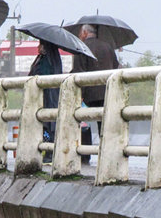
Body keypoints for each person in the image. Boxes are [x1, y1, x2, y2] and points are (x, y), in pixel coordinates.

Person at [70, 24, 119, 164]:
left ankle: (83, 155)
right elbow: (115, 66)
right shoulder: (108, 47)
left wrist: (80, 94)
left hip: (89, 93)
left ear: (85, 32)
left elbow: (79, 71)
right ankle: (108, 157)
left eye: (80, 32)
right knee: (105, 124)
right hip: (108, 91)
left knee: (80, 122)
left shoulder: (81, 47)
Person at [28, 40, 62, 163]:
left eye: (40, 44)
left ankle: (49, 151)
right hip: (47, 95)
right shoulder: (48, 57)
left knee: (48, 124)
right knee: (46, 123)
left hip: (48, 95)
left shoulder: (47, 59)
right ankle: (47, 151)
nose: (38, 47)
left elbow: (42, 74)